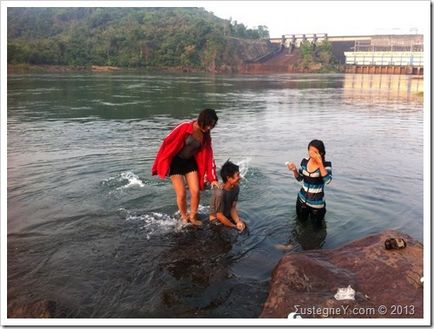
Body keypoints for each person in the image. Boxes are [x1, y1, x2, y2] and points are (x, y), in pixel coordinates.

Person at [152, 109, 219, 225]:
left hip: (189, 162)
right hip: (176, 162)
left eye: (212, 126)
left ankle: (193, 216)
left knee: (195, 191)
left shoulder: (206, 135)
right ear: (201, 120)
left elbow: (209, 155)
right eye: (208, 124)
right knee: (182, 193)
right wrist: (163, 162)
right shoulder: (185, 127)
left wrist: (213, 178)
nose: (209, 128)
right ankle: (184, 216)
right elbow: (167, 142)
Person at [286, 140, 332, 223]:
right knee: (300, 223)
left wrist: (320, 163)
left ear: (321, 153)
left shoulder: (326, 165)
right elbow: (300, 178)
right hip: (301, 200)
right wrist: (294, 170)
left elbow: (327, 181)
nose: (311, 154)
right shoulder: (305, 161)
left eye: (315, 152)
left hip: (317, 205)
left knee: (317, 229)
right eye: (310, 151)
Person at [209, 160, 246, 233]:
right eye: (237, 175)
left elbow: (232, 208)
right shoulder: (219, 193)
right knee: (233, 233)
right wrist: (234, 226)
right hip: (216, 220)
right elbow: (219, 216)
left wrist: (238, 222)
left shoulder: (236, 188)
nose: (240, 177)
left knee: (244, 228)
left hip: (227, 215)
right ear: (229, 178)